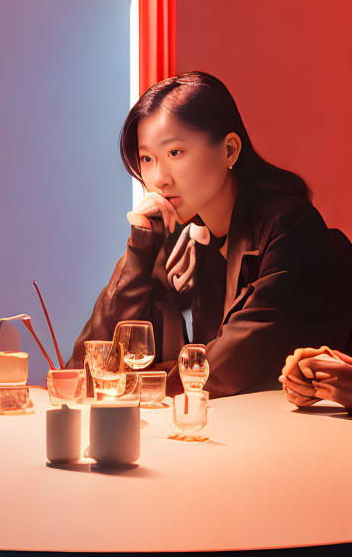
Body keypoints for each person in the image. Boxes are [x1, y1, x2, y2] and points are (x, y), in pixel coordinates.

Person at [68, 71, 352, 396]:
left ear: (229, 151)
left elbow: (229, 370)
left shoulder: (290, 227)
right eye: (147, 159)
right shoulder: (180, 239)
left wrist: (140, 384)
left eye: (175, 153)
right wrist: (138, 255)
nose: (159, 178)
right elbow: (86, 373)